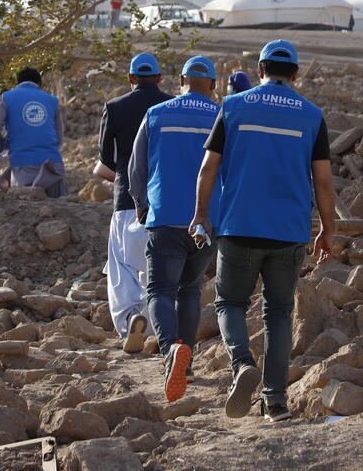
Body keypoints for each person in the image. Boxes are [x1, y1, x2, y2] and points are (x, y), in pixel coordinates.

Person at [191, 39, 336, 423]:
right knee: (279, 314)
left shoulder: (234, 106)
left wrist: (201, 214)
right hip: (289, 231)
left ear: (259, 70)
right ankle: (276, 403)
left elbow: (208, 168)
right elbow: (323, 181)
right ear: (296, 74)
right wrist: (327, 229)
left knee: (230, 304)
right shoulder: (312, 114)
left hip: (239, 226)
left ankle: (241, 364)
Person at [127, 55, 221, 402]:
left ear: (180, 80)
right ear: (212, 85)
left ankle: (171, 352)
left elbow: (137, 167)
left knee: (160, 290)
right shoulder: (221, 116)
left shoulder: (157, 114)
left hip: (165, 215)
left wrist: (140, 202)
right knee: (190, 290)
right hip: (207, 220)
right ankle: (188, 361)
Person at [98, 52, 172, 351]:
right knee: (160, 266)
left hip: (127, 198)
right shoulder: (170, 106)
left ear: (130, 78)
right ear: (158, 78)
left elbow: (105, 156)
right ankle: (155, 323)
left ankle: (130, 318)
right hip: (165, 199)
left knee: (122, 266)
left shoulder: (115, 108)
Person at [0, 68, 67, 197]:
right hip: (53, 166)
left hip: (23, 164)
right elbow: (59, 138)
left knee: (26, 207)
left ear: (17, 82)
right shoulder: (52, 100)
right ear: (39, 83)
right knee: (58, 211)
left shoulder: (7, 97)